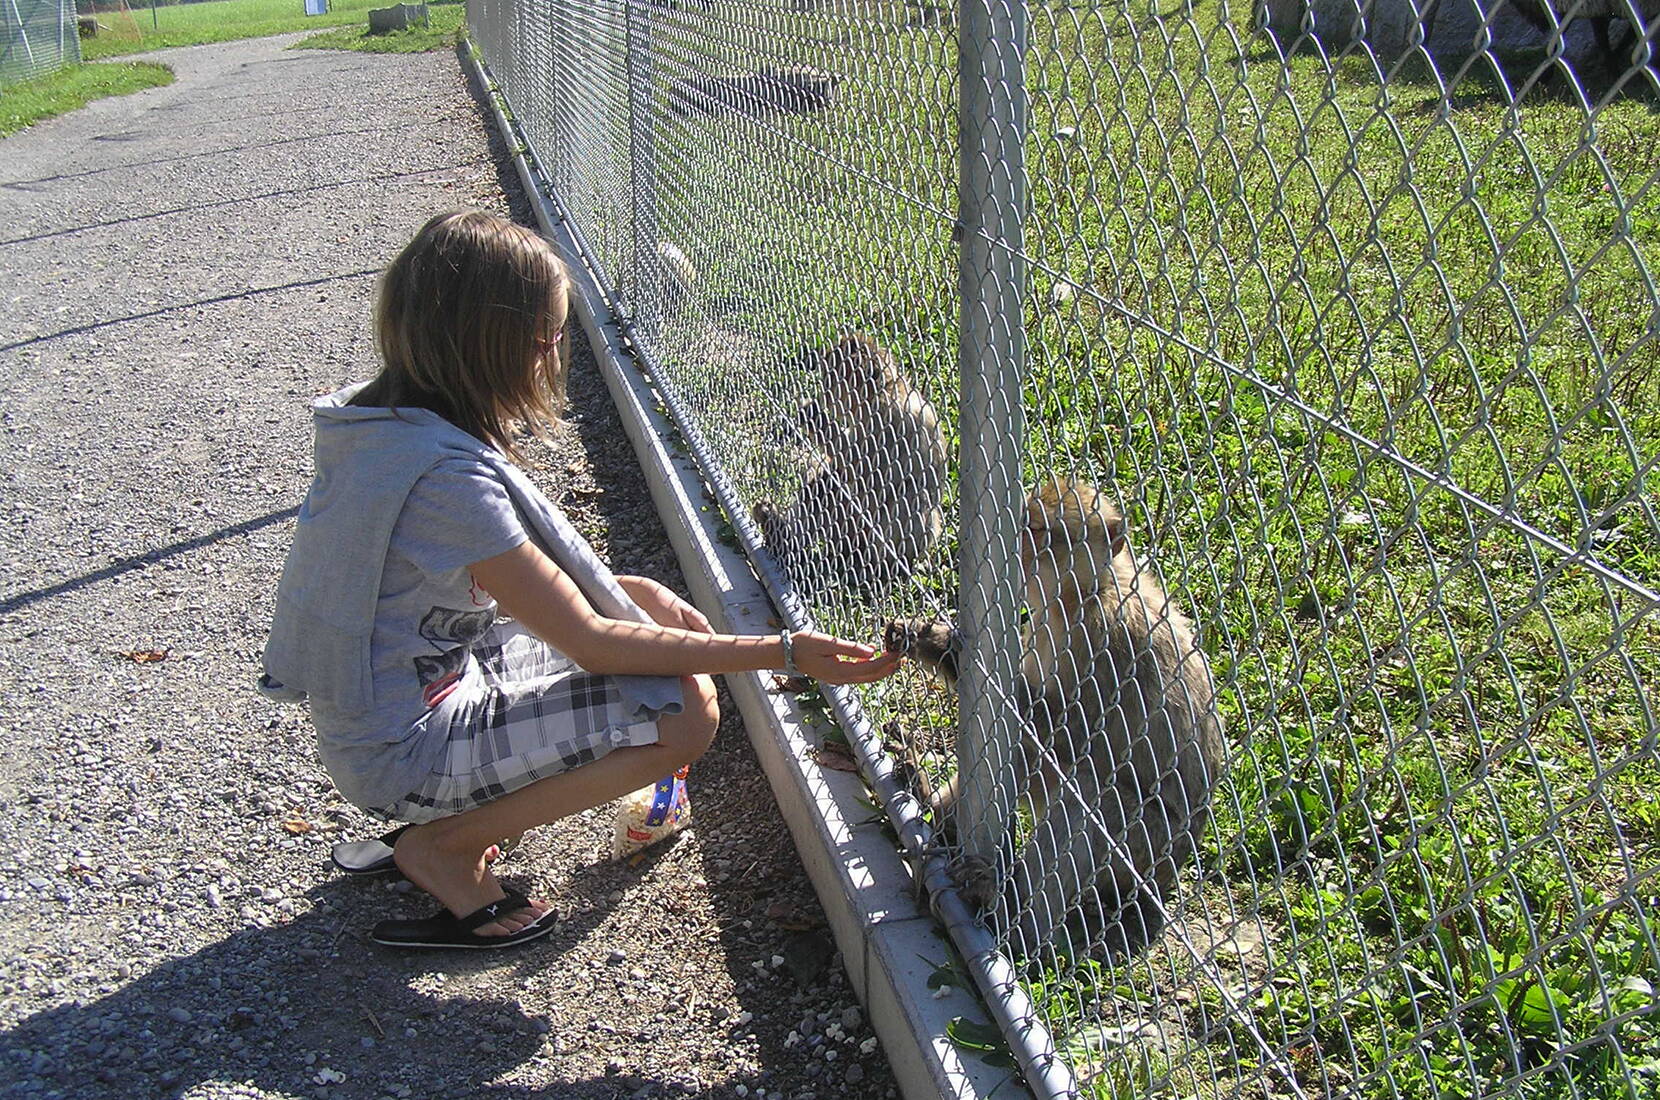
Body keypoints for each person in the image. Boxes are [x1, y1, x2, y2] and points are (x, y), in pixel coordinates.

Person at [260, 209, 899, 950]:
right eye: (548, 337)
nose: (558, 353)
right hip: (403, 746)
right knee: (687, 717)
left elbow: (592, 611)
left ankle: (455, 818)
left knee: (649, 602)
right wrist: (782, 652)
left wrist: (694, 636)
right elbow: (595, 642)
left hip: (400, 687)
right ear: (490, 347)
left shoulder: (386, 422)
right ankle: (443, 847)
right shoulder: (448, 484)